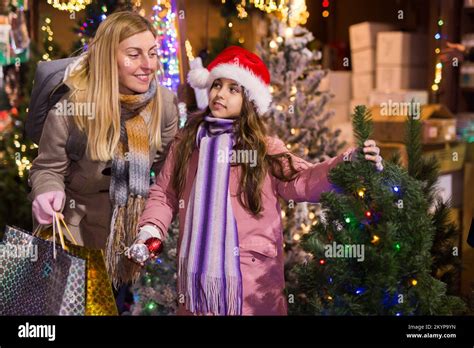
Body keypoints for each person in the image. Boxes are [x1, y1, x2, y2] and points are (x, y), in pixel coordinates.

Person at [133, 46, 384, 315]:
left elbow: (303, 180)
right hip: (197, 290)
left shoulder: (264, 150)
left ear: (249, 100)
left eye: (233, 89)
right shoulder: (187, 143)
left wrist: (347, 164)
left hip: (253, 286)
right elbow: (164, 193)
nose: (220, 93)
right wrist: (150, 229)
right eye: (217, 84)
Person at [28, 11, 179, 290]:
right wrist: (48, 191)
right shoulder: (74, 106)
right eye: (134, 55)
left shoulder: (165, 106)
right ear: (109, 58)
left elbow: (165, 176)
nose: (148, 65)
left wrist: (154, 226)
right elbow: (47, 168)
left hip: (131, 238)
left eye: (153, 53)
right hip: (75, 229)